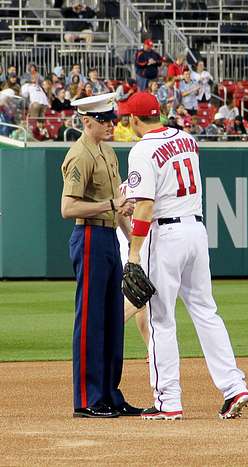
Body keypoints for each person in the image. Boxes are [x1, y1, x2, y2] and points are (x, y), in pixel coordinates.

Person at [117, 92, 248, 420]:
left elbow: (146, 206)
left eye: (127, 118)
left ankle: (168, 402)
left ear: (134, 120)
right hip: (195, 231)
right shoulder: (187, 138)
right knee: (206, 312)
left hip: (166, 237)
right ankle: (234, 388)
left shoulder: (142, 149)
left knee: (160, 318)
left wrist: (134, 254)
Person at [59, 93, 141, 418]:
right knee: (91, 320)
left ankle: (109, 394)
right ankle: (87, 399)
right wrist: (111, 206)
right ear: (86, 120)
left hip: (107, 238)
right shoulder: (79, 155)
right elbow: (68, 208)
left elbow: (119, 204)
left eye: (112, 119)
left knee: (111, 321)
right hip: (89, 235)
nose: (111, 124)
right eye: (105, 119)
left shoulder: (107, 152)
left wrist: (134, 244)